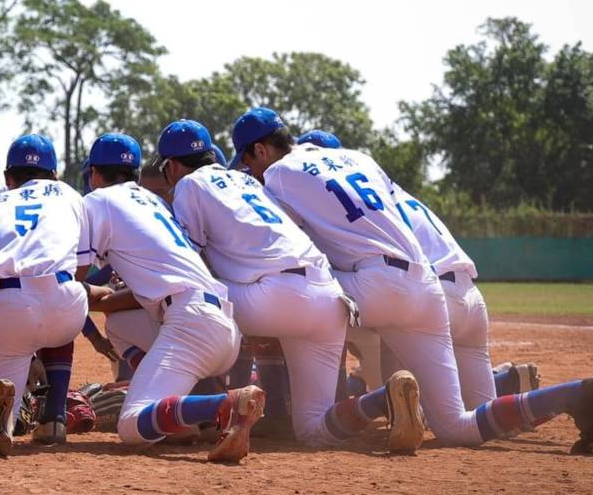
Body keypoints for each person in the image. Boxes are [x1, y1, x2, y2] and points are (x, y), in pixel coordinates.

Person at [235, 106, 593, 453]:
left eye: (249, 161)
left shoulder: (278, 175)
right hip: (425, 286)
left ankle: (379, 397)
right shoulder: (358, 157)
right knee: (460, 423)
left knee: (301, 299)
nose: (252, 171)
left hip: (375, 284)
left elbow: (288, 247)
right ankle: (577, 394)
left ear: (261, 150)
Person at [160, 119, 423, 452]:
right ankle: (383, 399)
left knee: (194, 301)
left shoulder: (189, 185)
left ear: (171, 166)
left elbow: (193, 256)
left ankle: (202, 411)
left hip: (275, 299)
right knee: (313, 429)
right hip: (329, 297)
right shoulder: (251, 182)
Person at [81, 132, 264, 463]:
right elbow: (134, 292)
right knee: (120, 324)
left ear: (94, 173)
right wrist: (100, 298)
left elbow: (76, 276)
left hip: (190, 325)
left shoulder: (96, 202)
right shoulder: (153, 201)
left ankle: (225, 404)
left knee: (131, 426)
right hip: (223, 324)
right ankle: (181, 415)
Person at [0, 134, 88, 456]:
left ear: (7, 178)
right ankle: (54, 415)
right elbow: (81, 268)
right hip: (64, 301)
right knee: (64, 301)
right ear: (54, 175)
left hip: (9, 305)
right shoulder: (70, 196)